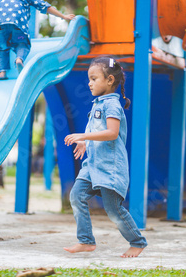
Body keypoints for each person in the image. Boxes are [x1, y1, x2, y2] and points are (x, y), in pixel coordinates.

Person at [63, 56, 147, 258]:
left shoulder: (112, 105)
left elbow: (112, 133)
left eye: (94, 78)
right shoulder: (98, 103)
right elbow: (96, 129)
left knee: (113, 209)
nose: (89, 83)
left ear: (110, 80)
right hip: (92, 166)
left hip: (110, 168)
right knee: (76, 196)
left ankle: (137, 241)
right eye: (89, 79)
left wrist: (83, 135)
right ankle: (86, 241)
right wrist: (85, 142)